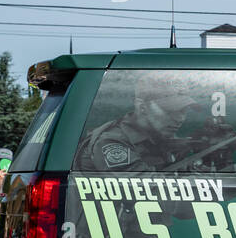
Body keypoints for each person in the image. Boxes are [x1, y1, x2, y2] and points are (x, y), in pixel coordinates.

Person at [74, 72, 203, 172]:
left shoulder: (158, 136)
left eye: (183, 111)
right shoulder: (111, 142)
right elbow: (149, 191)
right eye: (170, 111)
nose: (180, 118)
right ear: (142, 107)